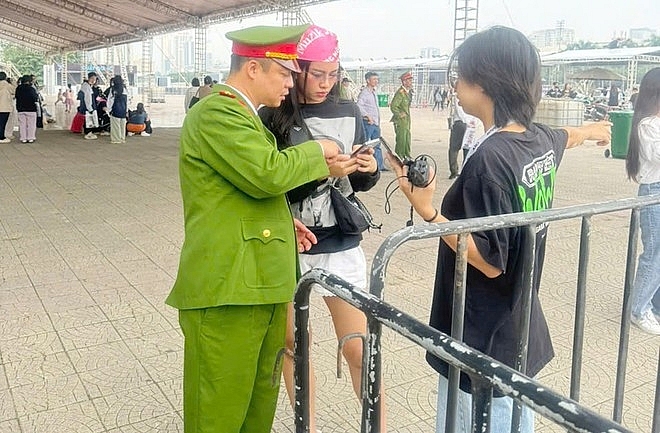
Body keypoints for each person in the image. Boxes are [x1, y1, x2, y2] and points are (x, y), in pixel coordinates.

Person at [384, 26, 611, 433]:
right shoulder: (537, 140)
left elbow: (489, 261)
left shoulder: (490, 161)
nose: (454, 85)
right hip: (518, 322)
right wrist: (595, 132)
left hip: (480, 331)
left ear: (485, 82)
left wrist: (429, 212)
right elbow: (568, 137)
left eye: (461, 76)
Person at [165, 24, 342, 433]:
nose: (290, 83)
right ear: (253, 69)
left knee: (255, 409)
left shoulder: (246, 118)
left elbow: (240, 188)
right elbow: (266, 174)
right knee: (219, 415)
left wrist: (283, 222)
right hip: (229, 289)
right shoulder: (217, 113)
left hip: (256, 283)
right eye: (284, 73)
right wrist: (316, 151)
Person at [259, 24, 383, 432]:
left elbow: (360, 181)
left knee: (359, 347)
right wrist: (319, 171)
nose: (325, 85)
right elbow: (267, 181)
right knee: (295, 346)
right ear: (297, 70)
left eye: (333, 75)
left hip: (342, 243)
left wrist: (367, 169)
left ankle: (376, 427)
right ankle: (305, 426)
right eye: (317, 75)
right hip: (290, 244)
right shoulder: (273, 115)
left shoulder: (348, 111)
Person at [625, 67, 660, 335]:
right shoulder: (648, 125)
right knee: (654, 254)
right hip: (653, 193)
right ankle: (638, 309)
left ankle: (653, 304)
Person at [356, 71, 386, 170]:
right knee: (366, 145)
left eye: (377, 79)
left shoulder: (374, 92)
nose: (376, 81)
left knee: (377, 145)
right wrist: (367, 115)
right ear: (368, 80)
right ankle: (363, 164)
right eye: (374, 79)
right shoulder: (364, 93)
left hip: (375, 123)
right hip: (368, 123)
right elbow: (359, 106)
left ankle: (379, 166)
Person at [390, 71, 413, 158]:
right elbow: (393, 106)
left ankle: (407, 155)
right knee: (401, 140)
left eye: (411, 80)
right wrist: (399, 114)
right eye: (409, 80)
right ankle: (399, 157)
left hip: (406, 121)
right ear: (404, 82)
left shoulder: (407, 92)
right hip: (400, 121)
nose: (411, 83)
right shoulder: (400, 93)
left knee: (407, 139)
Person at [447, 92, 467, 179]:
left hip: (460, 123)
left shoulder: (457, 95)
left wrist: (465, 121)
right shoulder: (469, 93)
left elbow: (459, 111)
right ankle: (465, 171)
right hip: (467, 123)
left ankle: (454, 171)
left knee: (454, 148)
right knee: (466, 148)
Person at [15, 75, 39, 143]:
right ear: (29, 81)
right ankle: (30, 137)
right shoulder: (31, 89)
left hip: (20, 109)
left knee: (22, 124)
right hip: (31, 109)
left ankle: (23, 138)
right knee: (31, 124)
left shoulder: (18, 88)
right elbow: (35, 98)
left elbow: (16, 97)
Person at [106, 74, 128, 144]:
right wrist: (126, 110)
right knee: (122, 125)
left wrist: (109, 110)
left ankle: (116, 139)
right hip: (123, 110)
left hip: (115, 110)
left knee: (116, 126)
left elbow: (110, 101)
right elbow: (127, 101)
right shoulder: (124, 89)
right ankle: (122, 138)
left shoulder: (113, 90)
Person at [78, 72, 99, 140]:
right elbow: (87, 98)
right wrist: (90, 108)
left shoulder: (87, 85)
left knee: (88, 119)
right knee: (89, 120)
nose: (93, 80)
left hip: (87, 106)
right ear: (89, 78)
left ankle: (88, 132)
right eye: (92, 78)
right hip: (88, 107)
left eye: (95, 79)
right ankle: (88, 133)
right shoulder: (86, 86)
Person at [0, 72, 16, 143]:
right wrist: (13, 82)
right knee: (2, 123)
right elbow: (15, 90)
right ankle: (1, 137)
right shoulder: (7, 85)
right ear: (5, 77)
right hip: (4, 107)